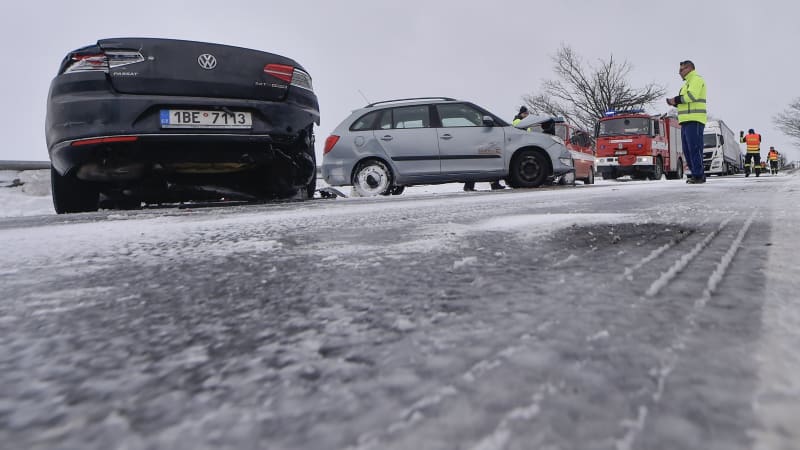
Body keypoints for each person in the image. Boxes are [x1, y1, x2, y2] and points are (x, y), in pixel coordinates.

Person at [464, 107, 528, 192]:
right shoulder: (477, 123)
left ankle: (491, 184)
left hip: (486, 146)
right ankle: (473, 185)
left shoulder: (478, 122)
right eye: (526, 113)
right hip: (484, 147)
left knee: (487, 165)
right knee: (485, 164)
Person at [667, 60, 707, 184]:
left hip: (695, 119)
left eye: (681, 70)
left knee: (694, 148)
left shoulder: (696, 79)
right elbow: (686, 102)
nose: (679, 73)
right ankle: (696, 174)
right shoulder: (686, 84)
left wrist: (676, 100)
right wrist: (675, 103)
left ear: (689, 68)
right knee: (687, 149)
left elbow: (692, 96)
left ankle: (699, 175)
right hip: (686, 121)